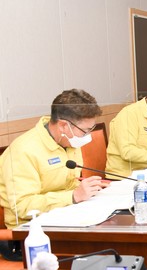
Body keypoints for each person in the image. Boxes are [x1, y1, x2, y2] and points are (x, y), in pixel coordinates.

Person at [0, 89, 104, 259]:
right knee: (101, 252)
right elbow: (22, 206)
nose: (88, 136)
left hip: (67, 218)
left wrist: (86, 191)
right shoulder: (23, 151)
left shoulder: (68, 141)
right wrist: (73, 196)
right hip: (30, 235)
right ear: (63, 125)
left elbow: (71, 184)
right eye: (85, 131)